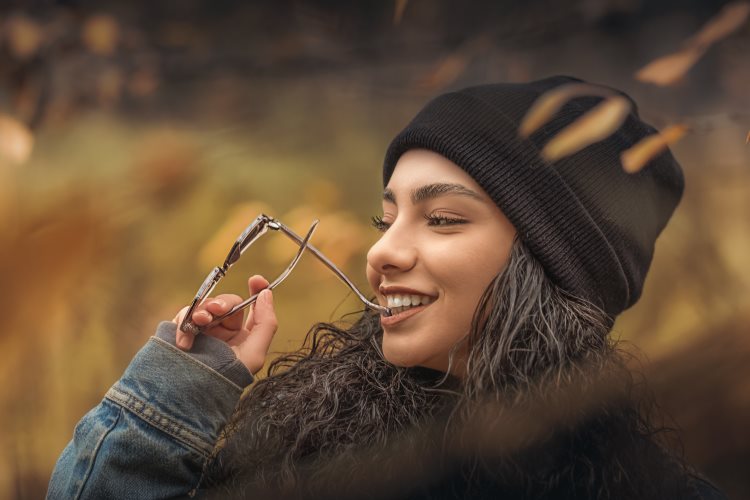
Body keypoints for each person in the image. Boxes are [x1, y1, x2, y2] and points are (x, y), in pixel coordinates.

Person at [47, 76, 726, 499]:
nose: (382, 251)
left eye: (442, 219)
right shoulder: (303, 452)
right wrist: (174, 395)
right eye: (386, 216)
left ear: (553, 265)